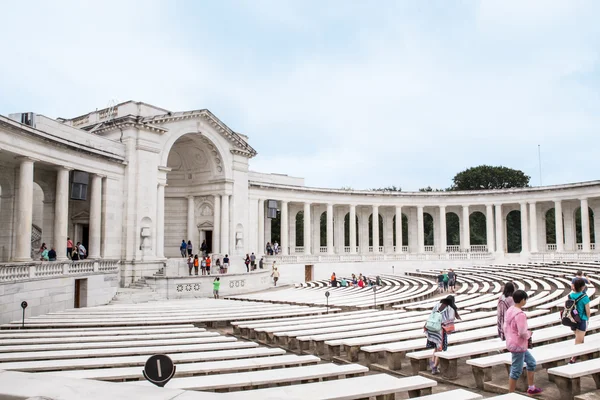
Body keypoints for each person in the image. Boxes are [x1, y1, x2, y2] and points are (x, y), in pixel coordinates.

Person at [505, 290, 542, 394]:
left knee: (531, 363)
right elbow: (522, 332)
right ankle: (511, 394)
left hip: (513, 342)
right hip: (518, 344)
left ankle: (531, 387)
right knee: (516, 370)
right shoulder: (520, 314)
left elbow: (505, 326)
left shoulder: (510, 310)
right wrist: (529, 334)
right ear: (522, 300)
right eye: (525, 299)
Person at [425, 295, 461, 375]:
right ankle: (434, 367)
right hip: (440, 330)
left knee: (436, 348)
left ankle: (433, 363)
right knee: (440, 349)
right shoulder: (450, 308)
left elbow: (432, 314)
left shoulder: (437, 304)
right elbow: (450, 320)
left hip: (432, 328)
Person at [568, 278, 591, 364]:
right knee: (578, 340)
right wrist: (588, 319)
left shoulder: (570, 296)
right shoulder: (584, 297)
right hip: (581, 320)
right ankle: (573, 358)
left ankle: (583, 353)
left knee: (579, 338)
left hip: (573, 319)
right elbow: (588, 311)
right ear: (583, 287)